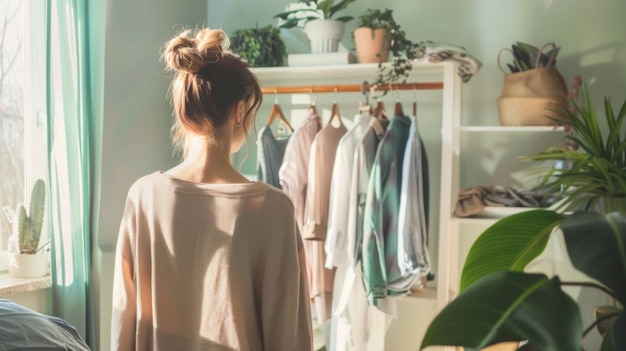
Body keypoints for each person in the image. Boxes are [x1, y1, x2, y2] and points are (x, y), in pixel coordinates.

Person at [110, 27, 313, 351]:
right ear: (239, 110)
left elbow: (125, 318)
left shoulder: (143, 197)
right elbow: (288, 333)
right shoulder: (275, 209)